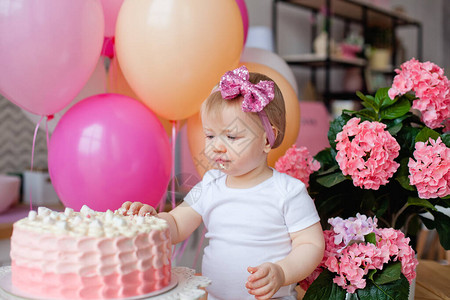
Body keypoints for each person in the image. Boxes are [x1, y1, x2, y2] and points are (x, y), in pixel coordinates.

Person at [120, 66, 325, 300]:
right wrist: (153, 222)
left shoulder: (288, 191)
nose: (216, 146)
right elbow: (177, 223)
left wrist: (282, 271)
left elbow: (310, 245)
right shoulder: (210, 184)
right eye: (210, 135)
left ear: (267, 140)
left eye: (231, 136)